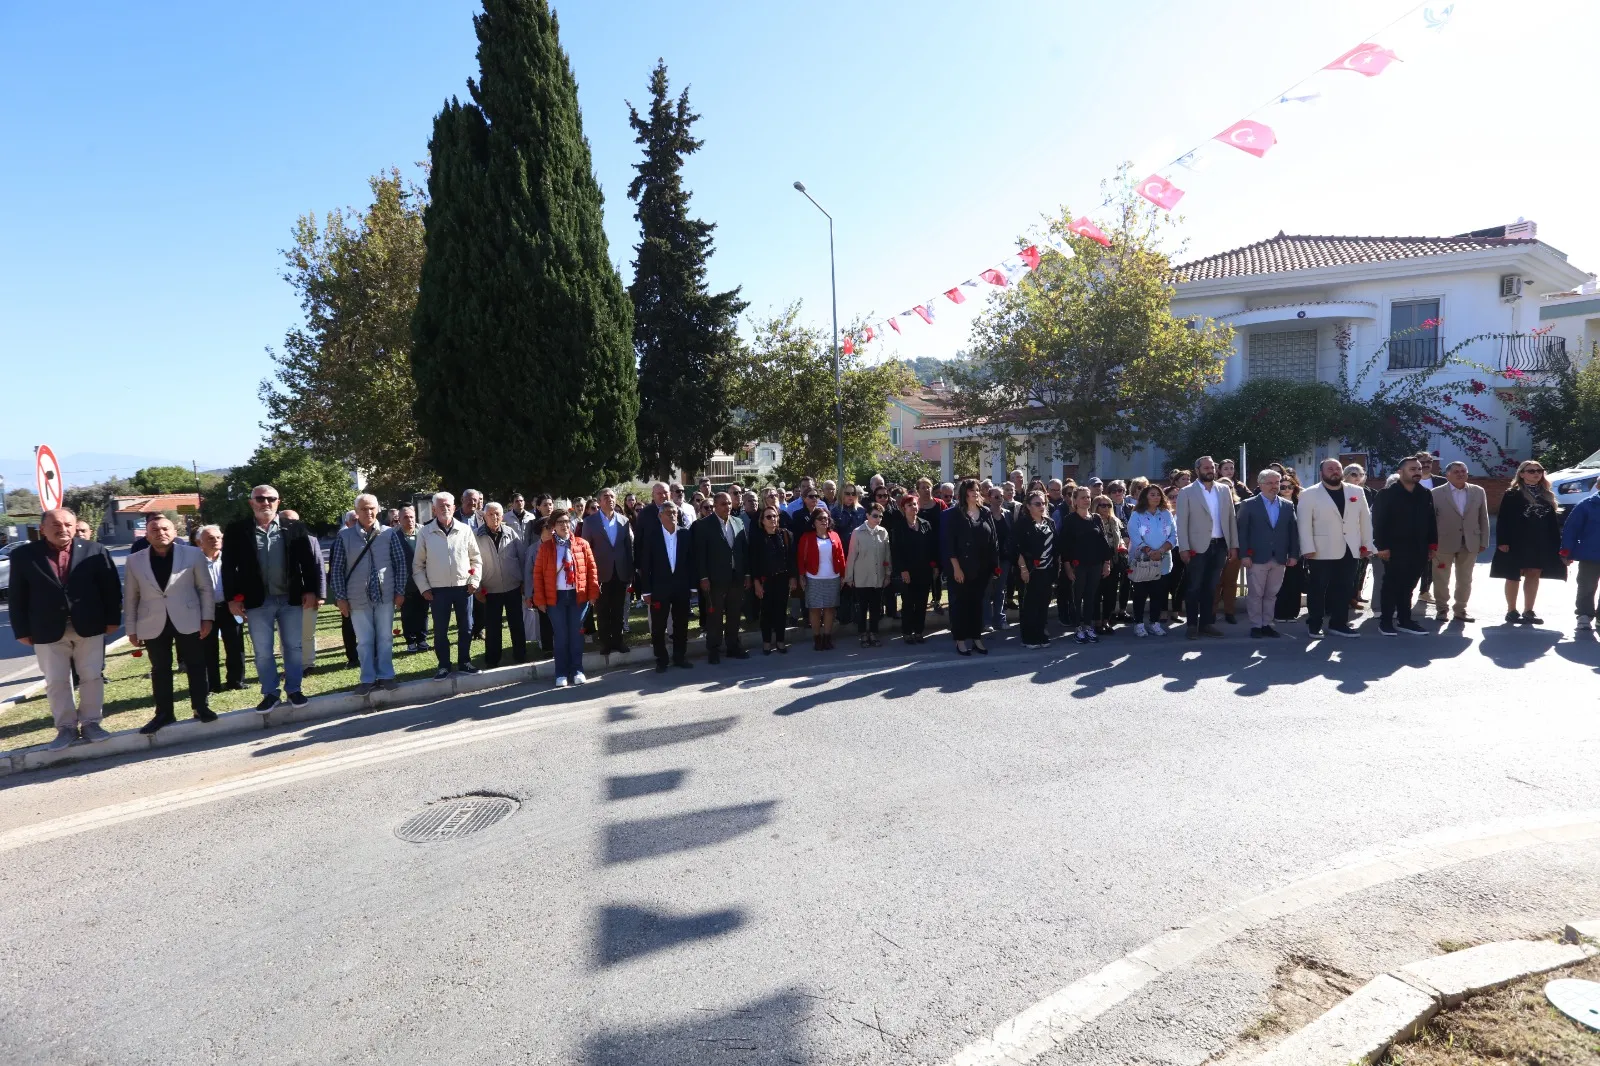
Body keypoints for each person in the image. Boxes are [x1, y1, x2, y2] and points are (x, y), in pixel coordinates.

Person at [9, 508, 123, 751]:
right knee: (56, 680)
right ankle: (66, 728)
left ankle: (92, 723)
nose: (63, 529)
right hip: (46, 628)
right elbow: (17, 596)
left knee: (91, 676)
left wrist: (113, 619)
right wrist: (21, 630)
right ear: (42, 529)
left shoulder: (95, 550)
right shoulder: (23, 555)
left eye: (68, 524)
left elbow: (111, 589)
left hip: (90, 625)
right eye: (56, 525)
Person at [222, 487, 321, 711]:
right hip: (257, 601)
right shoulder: (238, 530)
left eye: (271, 499)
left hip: (291, 599)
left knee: (294, 647)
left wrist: (311, 590)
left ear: (278, 502)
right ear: (251, 503)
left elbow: (308, 562)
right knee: (263, 651)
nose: (265, 502)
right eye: (260, 499)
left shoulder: (294, 528)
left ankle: (294, 690)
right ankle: (270, 693)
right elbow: (228, 567)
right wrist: (232, 598)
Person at [125, 514, 216, 733]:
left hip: (188, 618)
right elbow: (130, 597)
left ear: (174, 532)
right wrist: (131, 629)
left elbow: (205, 589)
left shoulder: (193, 554)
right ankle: (164, 714)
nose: (161, 533)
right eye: (154, 530)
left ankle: (201, 707)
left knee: (196, 664)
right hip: (152, 621)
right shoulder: (134, 560)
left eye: (165, 529)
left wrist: (207, 618)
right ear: (146, 535)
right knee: (160, 669)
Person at [329, 493, 409, 693]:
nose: (368, 512)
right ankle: (367, 678)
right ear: (356, 512)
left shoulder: (390, 534)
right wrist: (340, 597)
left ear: (378, 509)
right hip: (356, 598)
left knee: (385, 638)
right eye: (363, 509)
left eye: (372, 508)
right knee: (364, 641)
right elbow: (337, 569)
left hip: (385, 595)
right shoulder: (344, 537)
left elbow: (400, 564)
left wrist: (400, 591)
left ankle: (386, 675)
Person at [1297, 458, 1372, 639]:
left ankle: (1339, 624)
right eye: (1330, 468)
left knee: (1345, 588)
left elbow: (1365, 521)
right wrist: (1307, 547)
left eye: (1337, 468)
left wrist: (1367, 544)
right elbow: (1304, 524)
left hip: (1350, 548)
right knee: (1318, 588)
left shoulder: (1357, 491)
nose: (1334, 471)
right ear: (1321, 472)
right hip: (1320, 549)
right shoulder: (1309, 494)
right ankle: (1314, 624)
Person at [412, 491, 483, 679]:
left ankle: (465, 662)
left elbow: (476, 559)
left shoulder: (465, 530)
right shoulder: (425, 532)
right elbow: (418, 565)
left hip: (463, 587)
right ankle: (443, 665)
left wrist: (474, 580)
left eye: (448, 505)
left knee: (467, 627)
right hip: (438, 590)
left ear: (454, 507)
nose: (445, 509)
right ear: (434, 509)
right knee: (441, 630)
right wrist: (424, 588)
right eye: (441, 506)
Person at [531, 508, 599, 687]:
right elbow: (537, 574)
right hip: (556, 598)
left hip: (578, 596)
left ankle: (577, 670)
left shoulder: (582, 544)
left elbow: (591, 570)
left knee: (576, 635)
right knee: (560, 636)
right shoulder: (545, 548)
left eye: (566, 522)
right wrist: (540, 600)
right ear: (553, 526)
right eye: (560, 522)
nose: (564, 525)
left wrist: (593, 594)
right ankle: (561, 673)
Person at [1492, 459, 1566, 625]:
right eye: (1531, 471)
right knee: (1513, 575)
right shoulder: (1512, 493)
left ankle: (1528, 611)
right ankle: (1511, 611)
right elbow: (1503, 519)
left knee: (1534, 573)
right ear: (1522, 474)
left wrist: (1557, 544)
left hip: (1540, 541)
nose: (1536, 474)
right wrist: (1503, 541)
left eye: (1539, 471)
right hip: (1516, 541)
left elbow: (1552, 522)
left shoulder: (1546, 493)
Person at [1372, 456, 1439, 636]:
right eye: (1412, 469)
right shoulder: (1387, 494)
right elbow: (1378, 523)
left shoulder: (1425, 494)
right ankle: (1385, 622)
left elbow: (1431, 521)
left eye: (1418, 469)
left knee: (1409, 586)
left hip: (1419, 548)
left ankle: (1405, 620)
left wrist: (1432, 545)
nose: (1417, 472)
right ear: (1400, 472)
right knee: (1391, 585)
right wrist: (1382, 546)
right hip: (1394, 549)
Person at [1174, 456, 1238, 639]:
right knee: (1194, 587)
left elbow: (1231, 519)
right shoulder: (1186, 492)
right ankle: (1192, 625)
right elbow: (1182, 523)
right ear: (1197, 470)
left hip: (1219, 546)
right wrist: (1184, 548)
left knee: (1211, 587)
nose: (1210, 470)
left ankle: (1207, 624)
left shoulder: (1224, 490)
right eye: (1206, 467)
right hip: (1197, 547)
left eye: (1212, 467)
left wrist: (1233, 545)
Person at [1235, 470, 1299, 638]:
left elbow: (1293, 532)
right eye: (1270, 483)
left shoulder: (1287, 505)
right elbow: (1242, 532)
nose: (1274, 486)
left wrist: (1293, 554)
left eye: (1277, 483)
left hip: (1279, 557)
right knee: (1256, 594)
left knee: (1271, 594)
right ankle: (1256, 625)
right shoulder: (1248, 504)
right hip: (1256, 556)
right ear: (1261, 484)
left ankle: (1267, 624)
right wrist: (1244, 555)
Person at [637, 499, 695, 671]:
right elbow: (645, 566)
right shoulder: (652, 535)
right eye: (668, 513)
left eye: (675, 513)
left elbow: (691, 562)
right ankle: (661, 659)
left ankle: (679, 657)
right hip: (658, 589)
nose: (672, 516)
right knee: (658, 626)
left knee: (681, 624)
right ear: (660, 515)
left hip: (681, 587)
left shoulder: (685, 534)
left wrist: (692, 587)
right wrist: (646, 591)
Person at [691, 492, 750, 662]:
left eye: (730, 503)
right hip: (714, 579)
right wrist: (703, 577)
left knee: (734, 613)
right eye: (724, 504)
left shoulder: (738, 522)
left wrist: (746, 574)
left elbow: (743, 551)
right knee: (715, 616)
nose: (728, 507)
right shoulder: (703, 525)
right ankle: (714, 649)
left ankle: (733, 646)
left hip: (736, 577)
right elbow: (700, 555)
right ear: (715, 506)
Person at [1430, 462, 1489, 623]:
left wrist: (1484, 540)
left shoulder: (1478, 491)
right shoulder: (1436, 493)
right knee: (1441, 577)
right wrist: (1431, 544)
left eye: (1463, 471)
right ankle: (1442, 609)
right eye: (1456, 471)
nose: (1461, 474)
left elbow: (1483, 517)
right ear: (1447, 475)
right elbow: (1430, 521)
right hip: (1444, 542)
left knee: (1465, 579)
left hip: (1470, 541)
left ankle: (1461, 610)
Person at [945, 479, 999, 655]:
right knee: (961, 605)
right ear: (964, 493)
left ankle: (977, 638)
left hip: (982, 569)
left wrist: (994, 567)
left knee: (977, 604)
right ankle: (960, 640)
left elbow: (994, 542)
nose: (976, 493)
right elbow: (950, 545)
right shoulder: (955, 514)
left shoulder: (985, 512)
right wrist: (956, 568)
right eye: (971, 490)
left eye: (977, 490)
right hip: (961, 568)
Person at [472, 502, 527, 669]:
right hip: (490, 589)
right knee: (493, 626)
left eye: (498, 514)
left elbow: (522, 558)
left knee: (516, 623)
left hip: (513, 587)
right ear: (484, 516)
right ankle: (492, 659)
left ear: (502, 516)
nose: (494, 517)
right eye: (491, 514)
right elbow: (472, 563)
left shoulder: (511, 533)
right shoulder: (476, 536)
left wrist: (524, 581)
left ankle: (520, 655)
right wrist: (477, 588)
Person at [581, 488, 634, 656]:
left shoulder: (624, 521)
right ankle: (605, 643)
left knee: (618, 609)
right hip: (600, 573)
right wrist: (589, 575)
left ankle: (618, 641)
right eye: (606, 497)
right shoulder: (590, 522)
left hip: (620, 572)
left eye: (612, 496)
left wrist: (630, 572)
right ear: (600, 501)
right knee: (603, 610)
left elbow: (628, 549)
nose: (610, 499)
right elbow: (585, 550)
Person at [1058, 486, 1111, 644]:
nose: (1086, 500)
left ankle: (1088, 626)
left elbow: (1103, 543)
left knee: (1091, 597)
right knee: (1076, 597)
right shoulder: (1070, 519)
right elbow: (1065, 546)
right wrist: (1067, 567)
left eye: (1088, 497)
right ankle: (1078, 628)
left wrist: (1106, 563)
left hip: (1095, 564)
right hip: (1077, 565)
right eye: (1082, 497)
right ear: (1075, 500)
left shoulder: (1096, 518)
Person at [195, 524, 244, 692]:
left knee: (235, 647)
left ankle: (236, 681)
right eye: (210, 538)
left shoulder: (231, 559)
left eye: (218, 537)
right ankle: (213, 685)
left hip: (230, 608)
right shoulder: (194, 563)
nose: (215, 541)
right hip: (205, 611)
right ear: (199, 543)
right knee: (208, 649)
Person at [1125, 484, 1176, 637]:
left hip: (1162, 560)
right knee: (1140, 593)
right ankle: (1139, 623)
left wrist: (1160, 551)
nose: (1156, 497)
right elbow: (1134, 535)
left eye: (1158, 494)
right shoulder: (1137, 514)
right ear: (1145, 497)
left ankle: (1155, 622)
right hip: (1142, 561)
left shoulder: (1166, 514)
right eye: (1152, 494)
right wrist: (1148, 551)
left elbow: (1173, 535)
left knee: (1158, 593)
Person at [1010, 491, 1057, 648]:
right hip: (1030, 571)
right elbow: (1015, 548)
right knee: (1029, 605)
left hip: (1047, 570)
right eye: (1037, 504)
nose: (1042, 506)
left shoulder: (1049, 522)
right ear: (1028, 506)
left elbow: (1055, 546)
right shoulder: (1022, 524)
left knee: (1043, 604)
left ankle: (1041, 634)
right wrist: (1023, 568)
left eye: (1043, 503)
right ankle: (1029, 637)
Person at [747, 506, 795, 654]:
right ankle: (766, 642)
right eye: (768, 517)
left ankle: (780, 641)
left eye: (774, 516)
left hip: (782, 579)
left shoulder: (786, 535)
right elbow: (753, 563)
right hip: (765, 580)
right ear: (762, 520)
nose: (772, 519)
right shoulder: (757, 538)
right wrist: (756, 583)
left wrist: (793, 577)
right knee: (766, 612)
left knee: (781, 611)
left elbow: (792, 559)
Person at [796, 506, 845, 651]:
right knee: (815, 609)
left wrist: (843, 575)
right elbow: (800, 558)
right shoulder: (807, 537)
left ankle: (827, 638)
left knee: (830, 609)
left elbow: (841, 556)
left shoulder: (835, 535)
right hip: (813, 578)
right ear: (814, 522)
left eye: (826, 518)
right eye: (820, 518)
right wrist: (801, 575)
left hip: (833, 577)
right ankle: (817, 638)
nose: (824, 521)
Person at [842, 503, 891, 646]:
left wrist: (888, 574)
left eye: (880, 516)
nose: (878, 519)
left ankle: (874, 633)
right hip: (862, 577)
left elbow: (887, 556)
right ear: (867, 515)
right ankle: (863, 634)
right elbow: (851, 556)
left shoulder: (883, 532)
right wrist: (849, 577)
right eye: (875, 515)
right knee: (862, 608)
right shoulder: (857, 532)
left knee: (876, 608)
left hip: (878, 577)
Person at [891, 495, 936, 643]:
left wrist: (934, 566)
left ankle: (918, 631)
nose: (913, 507)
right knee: (909, 602)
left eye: (915, 504)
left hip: (924, 570)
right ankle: (907, 631)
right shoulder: (899, 527)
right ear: (904, 508)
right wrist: (903, 570)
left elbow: (932, 548)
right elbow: (896, 551)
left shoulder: (925, 524)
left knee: (922, 602)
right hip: (907, 571)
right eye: (910, 505)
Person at [1559, 488, 1600, 629]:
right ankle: (1584, 614)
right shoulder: (1587, 504)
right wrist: (1566, 551)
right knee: (1587, 585)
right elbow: (1571, 529)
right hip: (1590, 554)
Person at [395, 506, 430, 653]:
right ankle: (410, 641)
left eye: (411, 517)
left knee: (423, 611)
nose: (409, 520)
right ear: (399, 519)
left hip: (423, 580)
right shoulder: (394, 535)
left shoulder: (424, 532)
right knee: (408, 613)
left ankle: (422, 639)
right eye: (405, 517)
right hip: (405, 582)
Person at [1091, 493, 1126, 634]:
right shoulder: (1092, 520)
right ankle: (1097, 622)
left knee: (1111, 593)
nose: (1106, 508)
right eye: (1102, 505)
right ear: (1095, 506)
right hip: (1097, 560)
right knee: (1096, 593)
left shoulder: (1115, 521)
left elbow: (1122, 536)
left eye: (1108, 505)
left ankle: (1106, 620)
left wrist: (1123, 545)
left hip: (1114, 559)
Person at [1344, 464, 1377, 607]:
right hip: (1346, 535)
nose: (1357, 477)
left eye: (1360, 474)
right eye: (1353, 474)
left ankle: (1356, 595)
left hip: (1362, 534)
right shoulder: (1340, 490)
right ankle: (1346, 597)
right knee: (1347, 570)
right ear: (1345, 475)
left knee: (1361, 568)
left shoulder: (1370, 492)